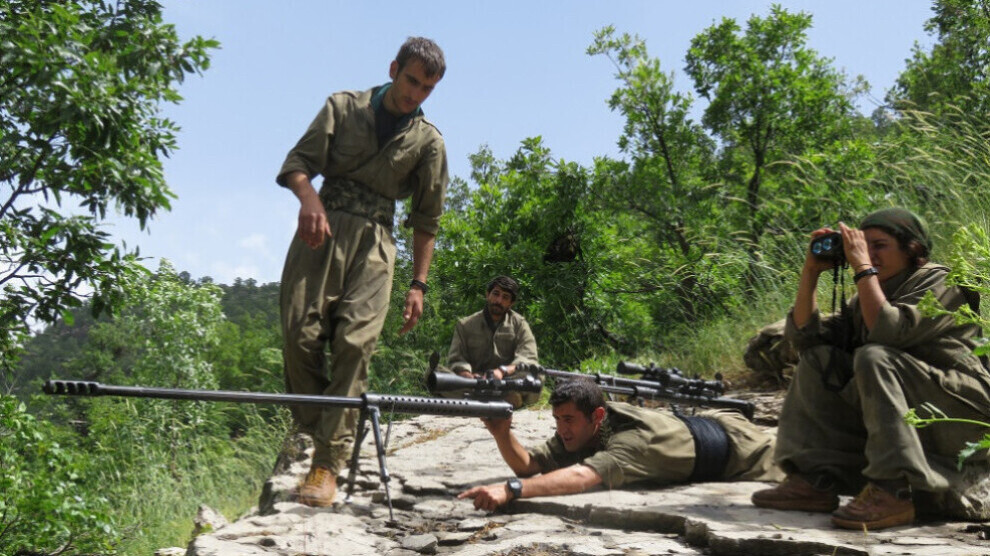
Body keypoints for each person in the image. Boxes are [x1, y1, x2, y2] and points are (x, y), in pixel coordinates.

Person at [277, 37, 448, 507]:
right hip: (321, 229)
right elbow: (297, 166)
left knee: (356, 343)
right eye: (411, 80)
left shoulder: (429, 142)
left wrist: (418, 284)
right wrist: (308, 198)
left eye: (427, 88)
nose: (415, 93)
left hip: (376, 242)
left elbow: (427, 221)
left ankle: (327, 464)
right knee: (300, 335)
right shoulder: (343, 107)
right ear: (394, 68)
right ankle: (316, 428)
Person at [751, 207, 990, 530]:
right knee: (819, 360)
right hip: (920, 412)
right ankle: (815, 479)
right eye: (862, 244)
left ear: (912, 248)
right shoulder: (867, 296)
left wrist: (863, 267)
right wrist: (810, 272)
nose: (866, 252)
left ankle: (893, 490)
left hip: (963, 415)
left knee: (873, 356)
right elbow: (804, 339)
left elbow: (888, 329)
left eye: (879, 245)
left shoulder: (944, 281)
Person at [458, 380, 783, 511]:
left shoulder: (630, 442)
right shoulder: (585, 427)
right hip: (711, 423)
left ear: (596, 415)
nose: (561, 429)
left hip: (743, 450)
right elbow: (531, 465)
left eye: (568, 420)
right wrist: (502, 433)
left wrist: (512, 489)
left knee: (814, 463)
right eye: (557, 420)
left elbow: (582, 477)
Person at [439, 276, 540, 407]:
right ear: (487, 295)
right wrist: (468, 375)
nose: (499, 300)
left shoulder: (519, 324)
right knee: (435, 372)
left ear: (511, 303)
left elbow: (527, 357)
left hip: (506, 381)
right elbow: (456, 359)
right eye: (496, 294)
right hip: (473, 382)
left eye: (505, 297)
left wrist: (502, 372)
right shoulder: (465, 324)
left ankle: (502, 397)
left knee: (535, 375)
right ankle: (494, 399)